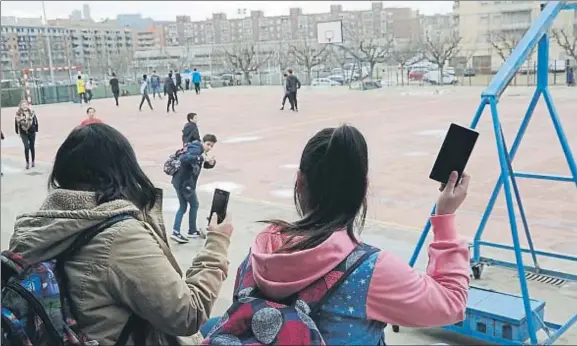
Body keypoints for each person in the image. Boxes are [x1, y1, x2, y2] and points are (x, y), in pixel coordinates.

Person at [200, 125, 470, 344]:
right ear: (363, 187)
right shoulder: (369, 270)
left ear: (299, 182)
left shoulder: (260, 251)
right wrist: (445, 219)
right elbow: (452, 303)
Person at [8, 123, 233, 345]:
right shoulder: (119, 236)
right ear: (124, 169)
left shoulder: (41, 226)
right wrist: (216, 244)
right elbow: (188, 315)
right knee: (226, 325)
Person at [172, 134, 217, 243]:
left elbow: (198, 163)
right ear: (203, 142)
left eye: (212, 146)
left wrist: (210, 163)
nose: (209, 147)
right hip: (185, 182)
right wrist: (201, 157)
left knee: (186, 206)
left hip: (181, 181)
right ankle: (181, 231)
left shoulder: (200, 150)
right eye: (208, 144)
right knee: (191, 205)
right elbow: (185, 158)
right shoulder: (196, 147)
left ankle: (187, 230)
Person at [14, 100, 39, 170]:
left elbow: (35, 121)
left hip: (31, 131)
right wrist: (17, 132)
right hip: (23, 132)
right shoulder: (18, 114)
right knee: (26, 147)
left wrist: (36, 129)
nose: (24, 106)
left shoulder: (32, 113)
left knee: (32, 146)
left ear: (28, 105)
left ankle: (33, 161)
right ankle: (27, 162)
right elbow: (16, 123)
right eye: (23, 105)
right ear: (20, 106)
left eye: (26, 104)